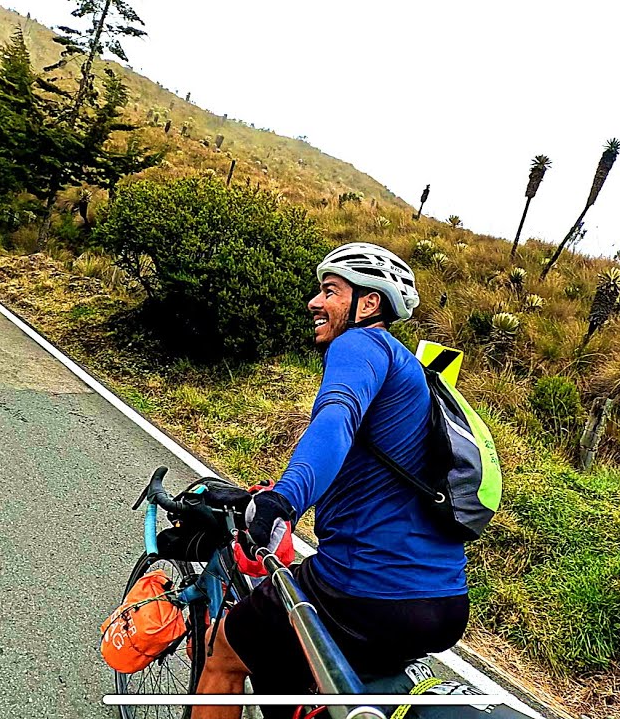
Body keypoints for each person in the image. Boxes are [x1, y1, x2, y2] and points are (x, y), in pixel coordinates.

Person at [193, 242, 470, 719]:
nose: (314, 303)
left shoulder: (360, 343)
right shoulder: (413, 375)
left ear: (368, 304)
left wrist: (285, 500)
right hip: (443, 600)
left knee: (226, 651)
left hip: (365, 588)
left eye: (330, 291)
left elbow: (335, 418)